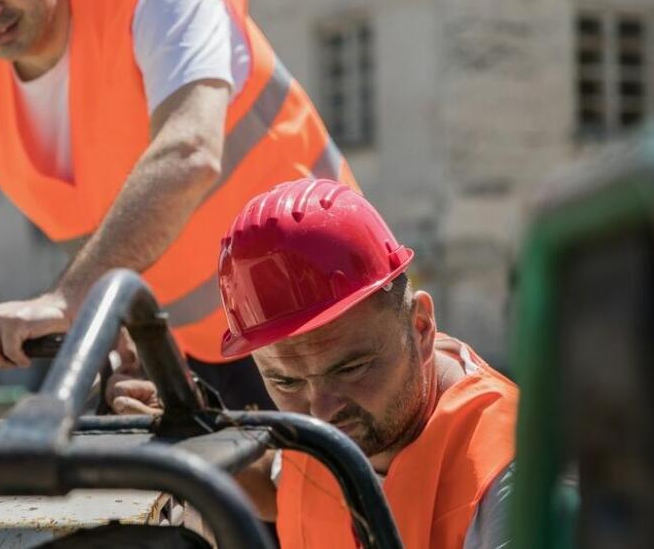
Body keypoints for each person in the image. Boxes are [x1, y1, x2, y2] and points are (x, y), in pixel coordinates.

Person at [0, 0, 358, 408]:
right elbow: (91, 231)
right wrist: (131, 345)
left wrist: (68, 299)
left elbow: (189, 153)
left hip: (325, 311)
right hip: (191, 353)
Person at [211, 178, 518, 549]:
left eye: (350, 369)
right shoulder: (331, 426)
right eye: (286, 382)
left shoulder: (511, 483)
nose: (321, 412)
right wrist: (182, 437)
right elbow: (280, 484)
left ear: (420, 328)